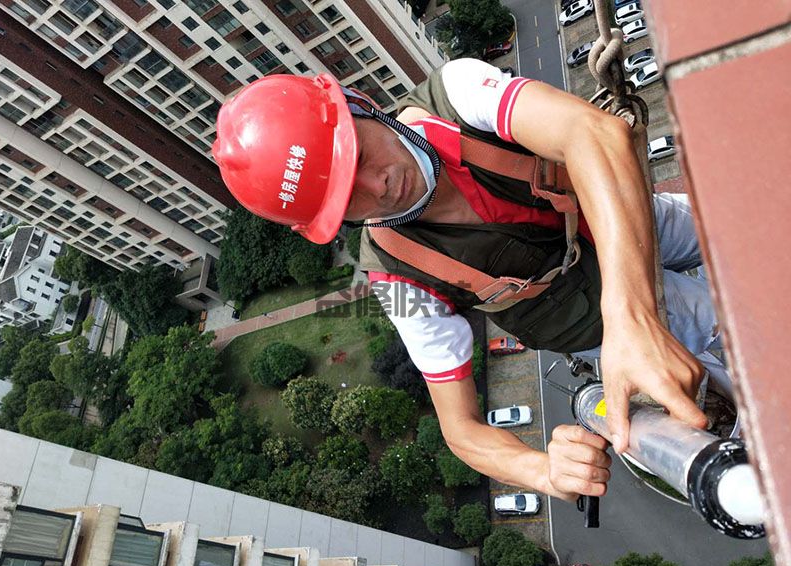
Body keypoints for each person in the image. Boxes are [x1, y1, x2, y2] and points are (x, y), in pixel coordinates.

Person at [213, 59, 716, 503]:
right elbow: (460, 430)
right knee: (734, 327)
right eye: (348, 199)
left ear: (361, 106)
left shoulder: (455, 95)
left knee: (731, 228)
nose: (378, 187)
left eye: (359, 155)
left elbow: (593, 133)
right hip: (582, 320)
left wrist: (632, 318)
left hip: (621, 215)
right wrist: (542, 471)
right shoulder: (396, 281)